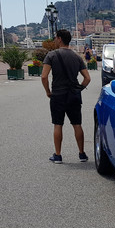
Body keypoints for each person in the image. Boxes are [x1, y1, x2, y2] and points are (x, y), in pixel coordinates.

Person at [41, 29, 91, 164]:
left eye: (56, 37)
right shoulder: (76, 57)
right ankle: (82, 154)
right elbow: (87, 78)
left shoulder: (51, 55)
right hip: (73, 95)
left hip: (58, 94)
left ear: (59, 39)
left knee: (58, 124)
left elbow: (44, 76)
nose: (55, 40)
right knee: (77, 124)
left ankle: (58, 155)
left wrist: (48, 91)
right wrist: (79, 88)